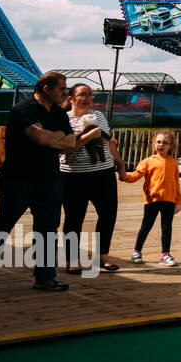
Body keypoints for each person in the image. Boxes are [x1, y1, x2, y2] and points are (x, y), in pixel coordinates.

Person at [0, 72, 100, 290]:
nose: (65, 93)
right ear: (46, 88)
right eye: (62, 89)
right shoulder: (22, 110)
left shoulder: (57, 113)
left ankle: (45, 277)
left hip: (50, 179)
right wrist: (55, 139)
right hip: (18, 179)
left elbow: (71, 142)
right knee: (3, 225)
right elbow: (39, 137)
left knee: (47, 230)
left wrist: (53, 138)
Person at [60, 84, 122, 273]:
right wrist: (90, 134)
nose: (87, 98)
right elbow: (65, 146)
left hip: (103, 173)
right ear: (71, 98)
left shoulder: (98, 116)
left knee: (108, 214)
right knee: (73, 218)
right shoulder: (63, 119)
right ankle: (72, 260)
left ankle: (102, 256)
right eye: (82, 95)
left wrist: (121, 164)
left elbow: (107, 142)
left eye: (90, 95)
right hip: (73, 175)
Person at [121, 131, 181, 266]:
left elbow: (176, 182)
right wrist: (124, 176)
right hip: (152, 201)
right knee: (146, 226)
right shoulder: (148, 161)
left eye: (165, 143)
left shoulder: (173, 163)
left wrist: (178, 201)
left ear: (171, 146)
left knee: (166, 227)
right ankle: (136, 251)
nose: (161, 145)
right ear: (154, 144)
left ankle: (165, 254)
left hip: (169, 200)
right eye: (158, 142)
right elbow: (136, 175)